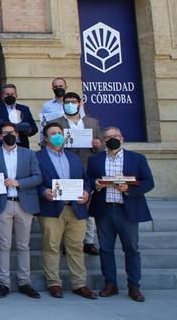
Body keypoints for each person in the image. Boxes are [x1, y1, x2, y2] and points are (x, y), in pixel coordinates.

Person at [88, 127, 154, 302]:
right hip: (104, 210)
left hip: (127, 210)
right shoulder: (95, 159)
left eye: (115, 136)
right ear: (103, 141)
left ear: (122, 138)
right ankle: (110, 284)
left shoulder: (137, 158)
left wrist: (129, 189)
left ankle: (134, 286)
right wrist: (95, 183)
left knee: (131, 249)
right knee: (105, 249)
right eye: (108, 137)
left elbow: (149, 182)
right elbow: (88, 179)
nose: (112, 139)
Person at [35, 122, 96, 300]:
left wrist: (86, 192)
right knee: (51, 247)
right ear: (46, 138)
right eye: (53, 133)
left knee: (76, 247)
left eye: (60, 133)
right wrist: (43, 192)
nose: (57, 136)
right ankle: (54, 283)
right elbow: (35, 180)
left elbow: (85, 180)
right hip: (51, 209)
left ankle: (79, 284)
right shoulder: (37, 157)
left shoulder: (74, 157)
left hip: (76, 209)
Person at [0, 122, 42, 299]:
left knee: (23, 245)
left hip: (24, 203)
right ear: (0, 136)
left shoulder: (29, 153)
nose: (9, 135)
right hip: (3, 204)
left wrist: (19, 183)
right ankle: (4, 283)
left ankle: (25, 282)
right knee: (3, 245)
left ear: (17, 134)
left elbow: (38, 177)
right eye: (5, 133)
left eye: (12, 132)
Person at [52, 91, 102, 255]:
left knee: (87, 203)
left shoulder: (92, 122)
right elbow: (48, 144)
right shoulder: (56, 123)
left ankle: (88, 241)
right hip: (65, 167)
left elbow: (100, 145)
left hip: (88, 166)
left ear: (80, 103)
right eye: (67, 102)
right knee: (67, 205)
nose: (70, 104)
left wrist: (97, 144)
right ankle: (65, 242)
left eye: (73, 102)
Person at [0, 84, 38, 148]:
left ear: (16, 95)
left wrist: (28, 131)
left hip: (22, 145)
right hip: (3, 145)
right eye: (7, 94)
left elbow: (34, 127)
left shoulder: (24, 109)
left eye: (12, 94)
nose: (10, 96)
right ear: (2, 96)